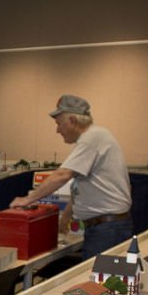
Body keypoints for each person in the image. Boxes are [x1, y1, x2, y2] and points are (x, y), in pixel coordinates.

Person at [10, 94, 132, 257]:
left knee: (97, 280)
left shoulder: (91, 139)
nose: (57, 130)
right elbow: (79, 187)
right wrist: (65, 217)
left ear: (72, 121)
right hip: (107, 227)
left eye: (59, 124)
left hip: (106, 230)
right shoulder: (95, 137)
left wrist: (27, 199)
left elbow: (62, 175)